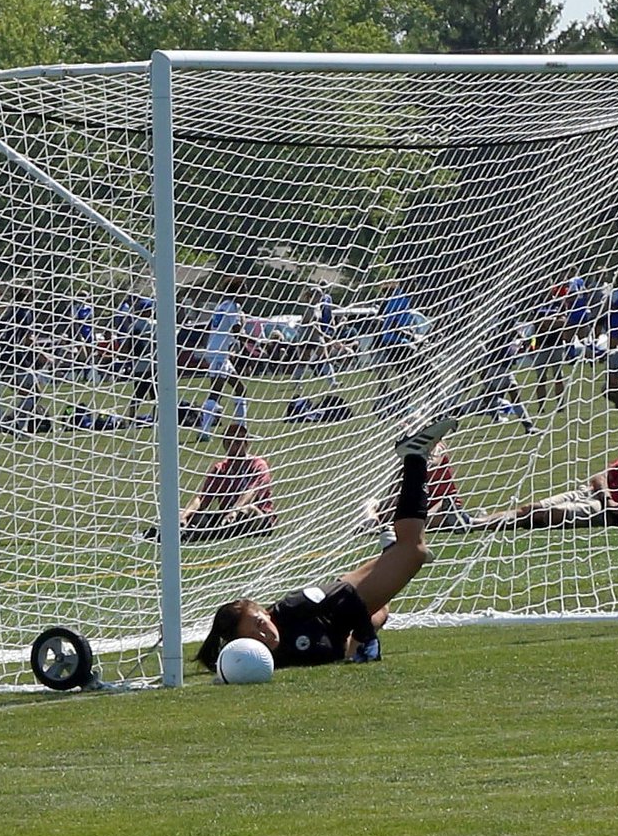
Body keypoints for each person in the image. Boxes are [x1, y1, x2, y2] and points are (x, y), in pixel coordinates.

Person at [195, 416, 456, 671]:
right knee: (381, 612)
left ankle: (414, 457)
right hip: (341, 630)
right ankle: (389, 553)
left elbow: (345, 594)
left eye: (260, 623)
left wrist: (366, 638)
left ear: (264, 611)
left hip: (350, 601)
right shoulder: (257, 656)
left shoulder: (291, 608)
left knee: (413, 551)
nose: (265, 633)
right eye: (256, 634)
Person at [474, 431, 618, 529]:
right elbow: (600, 476)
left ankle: (482, 524)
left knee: (549, 514)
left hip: (606, 512)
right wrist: (607, 496)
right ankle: (478, 522)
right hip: (595, 495)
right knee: (531, 508)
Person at [165, 424, 277, 543]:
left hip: (257, 516)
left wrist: (235, 510)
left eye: (238, 443)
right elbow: (203, 498)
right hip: (226, 516)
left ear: (246, 443)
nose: (234, 448)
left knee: (247, 510)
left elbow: (252, 492)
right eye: (229, 443)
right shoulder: (220, 469)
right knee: (192, 517)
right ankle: (179, 532)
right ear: (224, 445)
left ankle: (204, 531)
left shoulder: (258, 465)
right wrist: (183, 516)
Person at [364, 438, 471, 535]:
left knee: (421, 517)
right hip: (419, 505)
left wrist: (413, 458)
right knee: (370, 503)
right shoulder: (406, 456)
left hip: (442, 504)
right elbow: (394, 487)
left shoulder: (437, 447)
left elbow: (433, 463)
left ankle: (456, 519)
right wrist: (391, 503)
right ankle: (371, 523)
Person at [198, 283, 247, 442]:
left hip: (218, 352)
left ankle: (242, 430)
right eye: (244, 292)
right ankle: (204, 431)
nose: (246, 295)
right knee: (215, 393)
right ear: (237, 292)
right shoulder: (232, 307)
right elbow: (236, 330)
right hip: (218, 354)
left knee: (240, 389)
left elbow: (211, 328)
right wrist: (255, 341)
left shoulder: (221, 306)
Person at [374, 279, 418, 417]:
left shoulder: (394, 300)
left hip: (388, 342)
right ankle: (397, 404)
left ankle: (388, 404)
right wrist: (409, 336)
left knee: (388, 376)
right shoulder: (399, 300)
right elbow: (392, 325)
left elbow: (382, 320)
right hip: (394, 343)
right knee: (407, 376)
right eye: (413, 283)